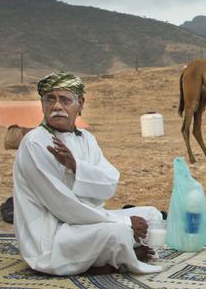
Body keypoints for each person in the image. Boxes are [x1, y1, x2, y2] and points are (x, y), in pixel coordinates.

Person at [12, 72, 163, 275]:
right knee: (118, 232)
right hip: (52, 234)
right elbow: (61, 205)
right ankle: (113, 256)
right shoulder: (35, 143)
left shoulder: (86, 139)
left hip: (88, 221)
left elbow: (109, 182)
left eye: (64, 100)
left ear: (80, 104)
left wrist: (76, 167)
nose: (57, 107)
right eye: (50, 99)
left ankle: (115, 253)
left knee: (151, 214)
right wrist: (126, 222)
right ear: (42, 104)